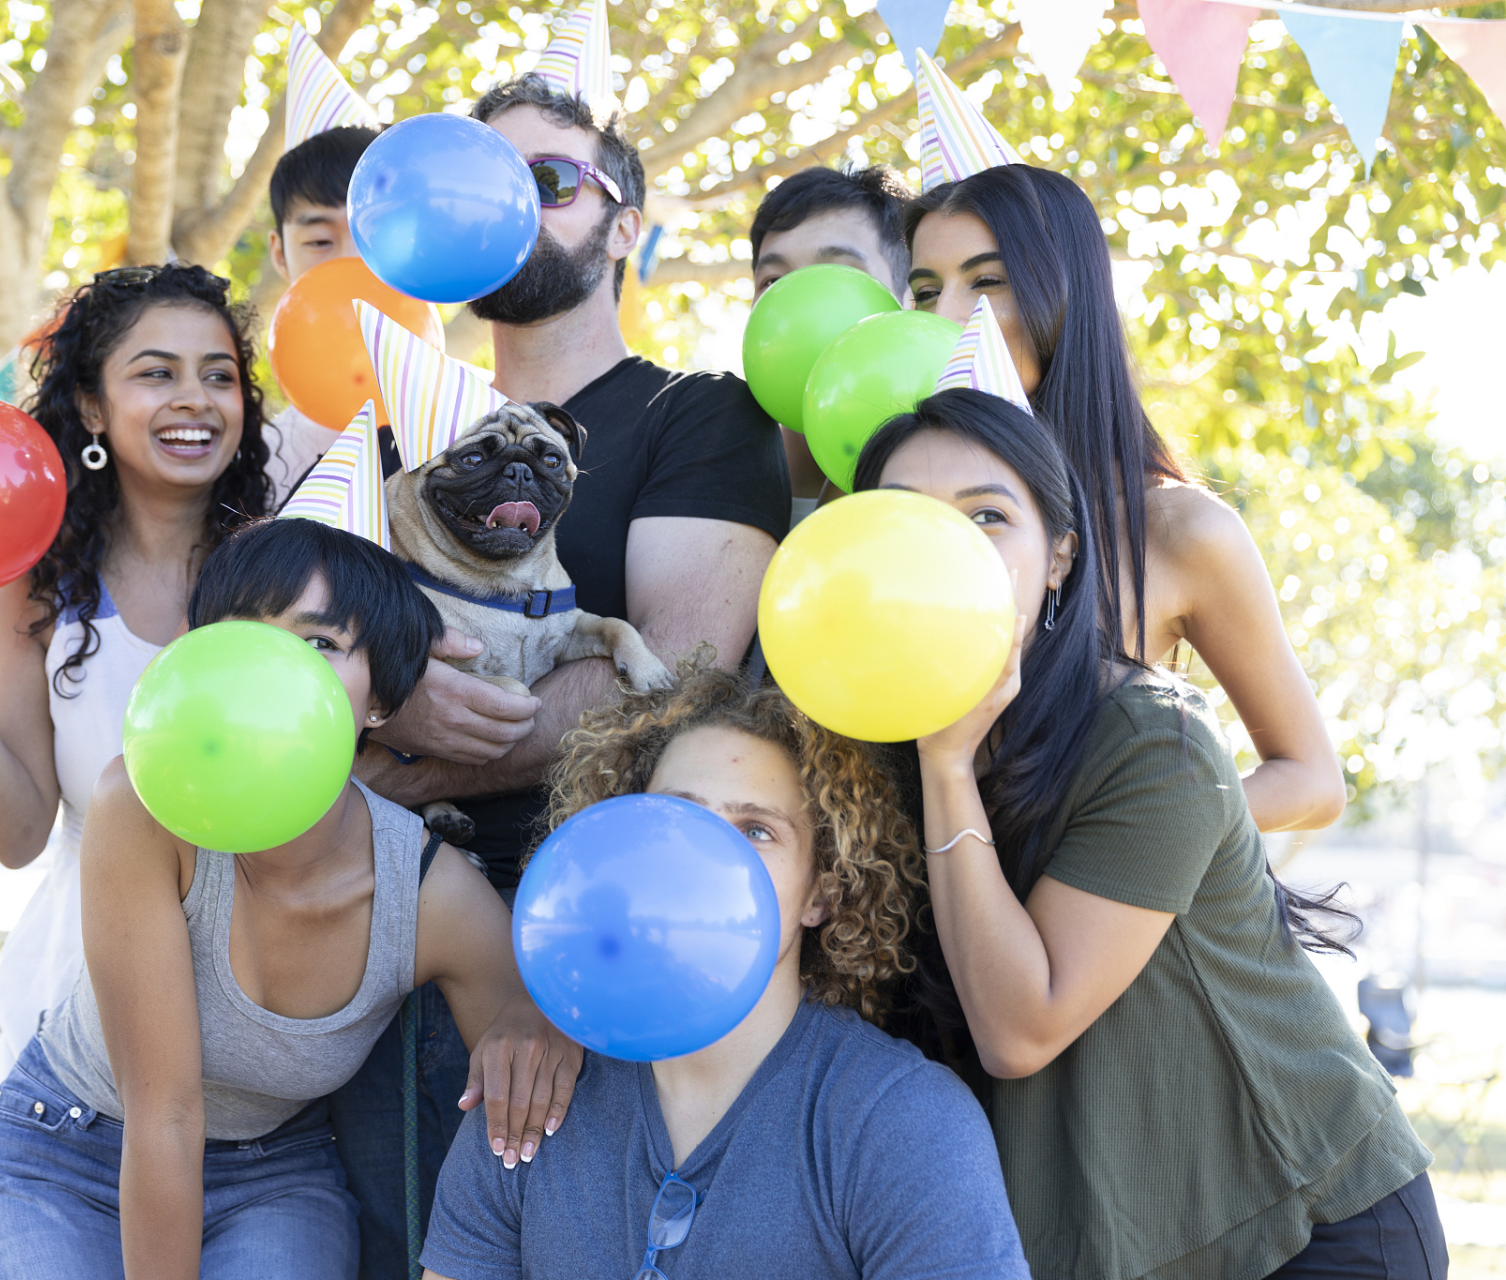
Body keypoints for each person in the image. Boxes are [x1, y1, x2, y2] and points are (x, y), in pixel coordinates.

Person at [338, 72, 791, 1279]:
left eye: (549, 181)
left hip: (594, 937)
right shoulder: (382, 437)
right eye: (484, 184)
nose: (511, 209)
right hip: (369, 934)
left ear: (625, 227)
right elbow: (289, 664)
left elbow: (671, 677)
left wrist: (396, 732)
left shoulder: (700, 417)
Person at [854, 388, 1446, 1280]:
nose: (946, 552)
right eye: (905, 521)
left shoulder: (1155, 740)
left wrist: (948, 768)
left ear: (1059, 557)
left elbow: (1022, 1028)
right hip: (1122, 1239)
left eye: (986, 517)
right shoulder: (859, 745)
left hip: (1302, 1226)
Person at [0, 517, 584, 1278]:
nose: (271, 669)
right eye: (245, 637)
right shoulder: (144, 805)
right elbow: (166, 1115)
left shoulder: (432, 894)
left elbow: (535, 1062)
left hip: (273, 1174)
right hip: (66, 1148)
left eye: (319, 644)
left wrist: (542, 1023)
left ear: (384, 700)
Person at [0, 262, 272, 1280]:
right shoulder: (36, 574)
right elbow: (18, 829)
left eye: (219, 375)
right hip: (70, 997)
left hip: (249, 988)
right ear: (90, 402)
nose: (195, 401)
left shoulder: (284, 558)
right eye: (156, 373)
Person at [418, 666, 1031, 1280]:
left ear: (822, 889)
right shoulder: (527, 1096)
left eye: (755, 831)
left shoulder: (904, 1123)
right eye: (674, 818)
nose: (701, 858)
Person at [902, 164, 1345, 833]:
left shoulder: (1178, 529)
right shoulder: (895, 507)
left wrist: (1109, 844)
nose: (947, 315)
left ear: (1064, 295)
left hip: (1085, 930)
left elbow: (1310, 780)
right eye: (925, 290)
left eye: (987, 282)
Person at [747, 163, 914, 524]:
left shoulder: (949, 475)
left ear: (908, 298)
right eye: (773, 282)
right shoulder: (699, 466)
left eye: (840, 274)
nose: (803, 304)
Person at [263, 123, 382, 496]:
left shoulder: (487, 418)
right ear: (280, 255)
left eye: (375, 233)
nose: (350, 260)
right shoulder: (255, 466)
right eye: (319, 241)